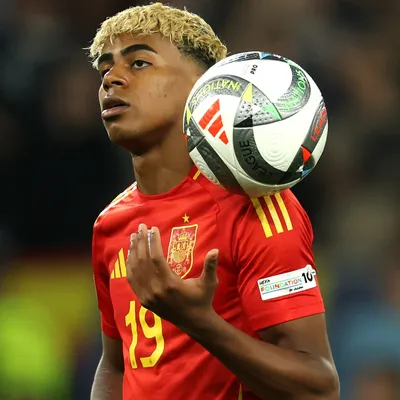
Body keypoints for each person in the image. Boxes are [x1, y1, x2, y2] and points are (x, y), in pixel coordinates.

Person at [89, 3, 339, 400]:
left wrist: (199, 322)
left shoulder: (257, 207)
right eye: (105, 68)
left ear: (203, 85)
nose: (111, 79)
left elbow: (318, 387)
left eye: (138, 63)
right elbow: (117, 364)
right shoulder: (110, 224)